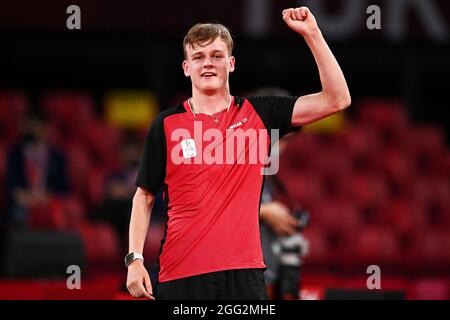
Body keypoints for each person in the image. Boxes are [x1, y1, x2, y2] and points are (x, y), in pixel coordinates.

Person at [126, 6, 351, 300]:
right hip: (181, 274)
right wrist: (135, 259)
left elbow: (337, 99)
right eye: (198, 57)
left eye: (217, 56)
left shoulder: (260, 113)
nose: (208, 64)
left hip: (245, 276)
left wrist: (313, 34)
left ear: (231, 63)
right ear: (186, 67)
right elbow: (144, 196)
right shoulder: (165, 125)